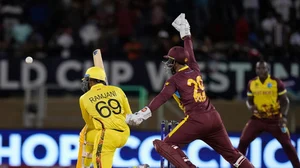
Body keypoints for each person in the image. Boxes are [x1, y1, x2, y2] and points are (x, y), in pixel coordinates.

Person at [126, 13, 254, 168]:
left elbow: (161, 98)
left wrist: (141, 115)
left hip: (196, 120)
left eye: (170, 61)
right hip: (213, 118)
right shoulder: (194, 68)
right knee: (232, 155)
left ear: (175, 62)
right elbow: (190, 51)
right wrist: (185, 33)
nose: (168, 64)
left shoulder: (174, 80)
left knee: (163, 145)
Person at [238, 61, 300, 167]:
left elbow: (285, 101)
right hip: (257, 119)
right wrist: (250, 107)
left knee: (287, 145)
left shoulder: (276, 82)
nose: (261, 71)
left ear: (268, 69)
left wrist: (284, 116)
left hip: (275, 119)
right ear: (256, 70)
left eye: (263, 68)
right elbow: (249, 100)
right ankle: (238, 166)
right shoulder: (252, 83)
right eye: (259, 68)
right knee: (243, 142)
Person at [76, 66, 134, 168]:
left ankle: (83, 166)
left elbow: (90, 124)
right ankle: (85, 165)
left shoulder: (84, 98)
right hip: (124, 133)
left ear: (92, 81)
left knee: (85, 133)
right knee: (87, 136)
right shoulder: (118, 90)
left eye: (87, 80)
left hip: (106, 136)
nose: (86, 83)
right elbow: (128, 115)